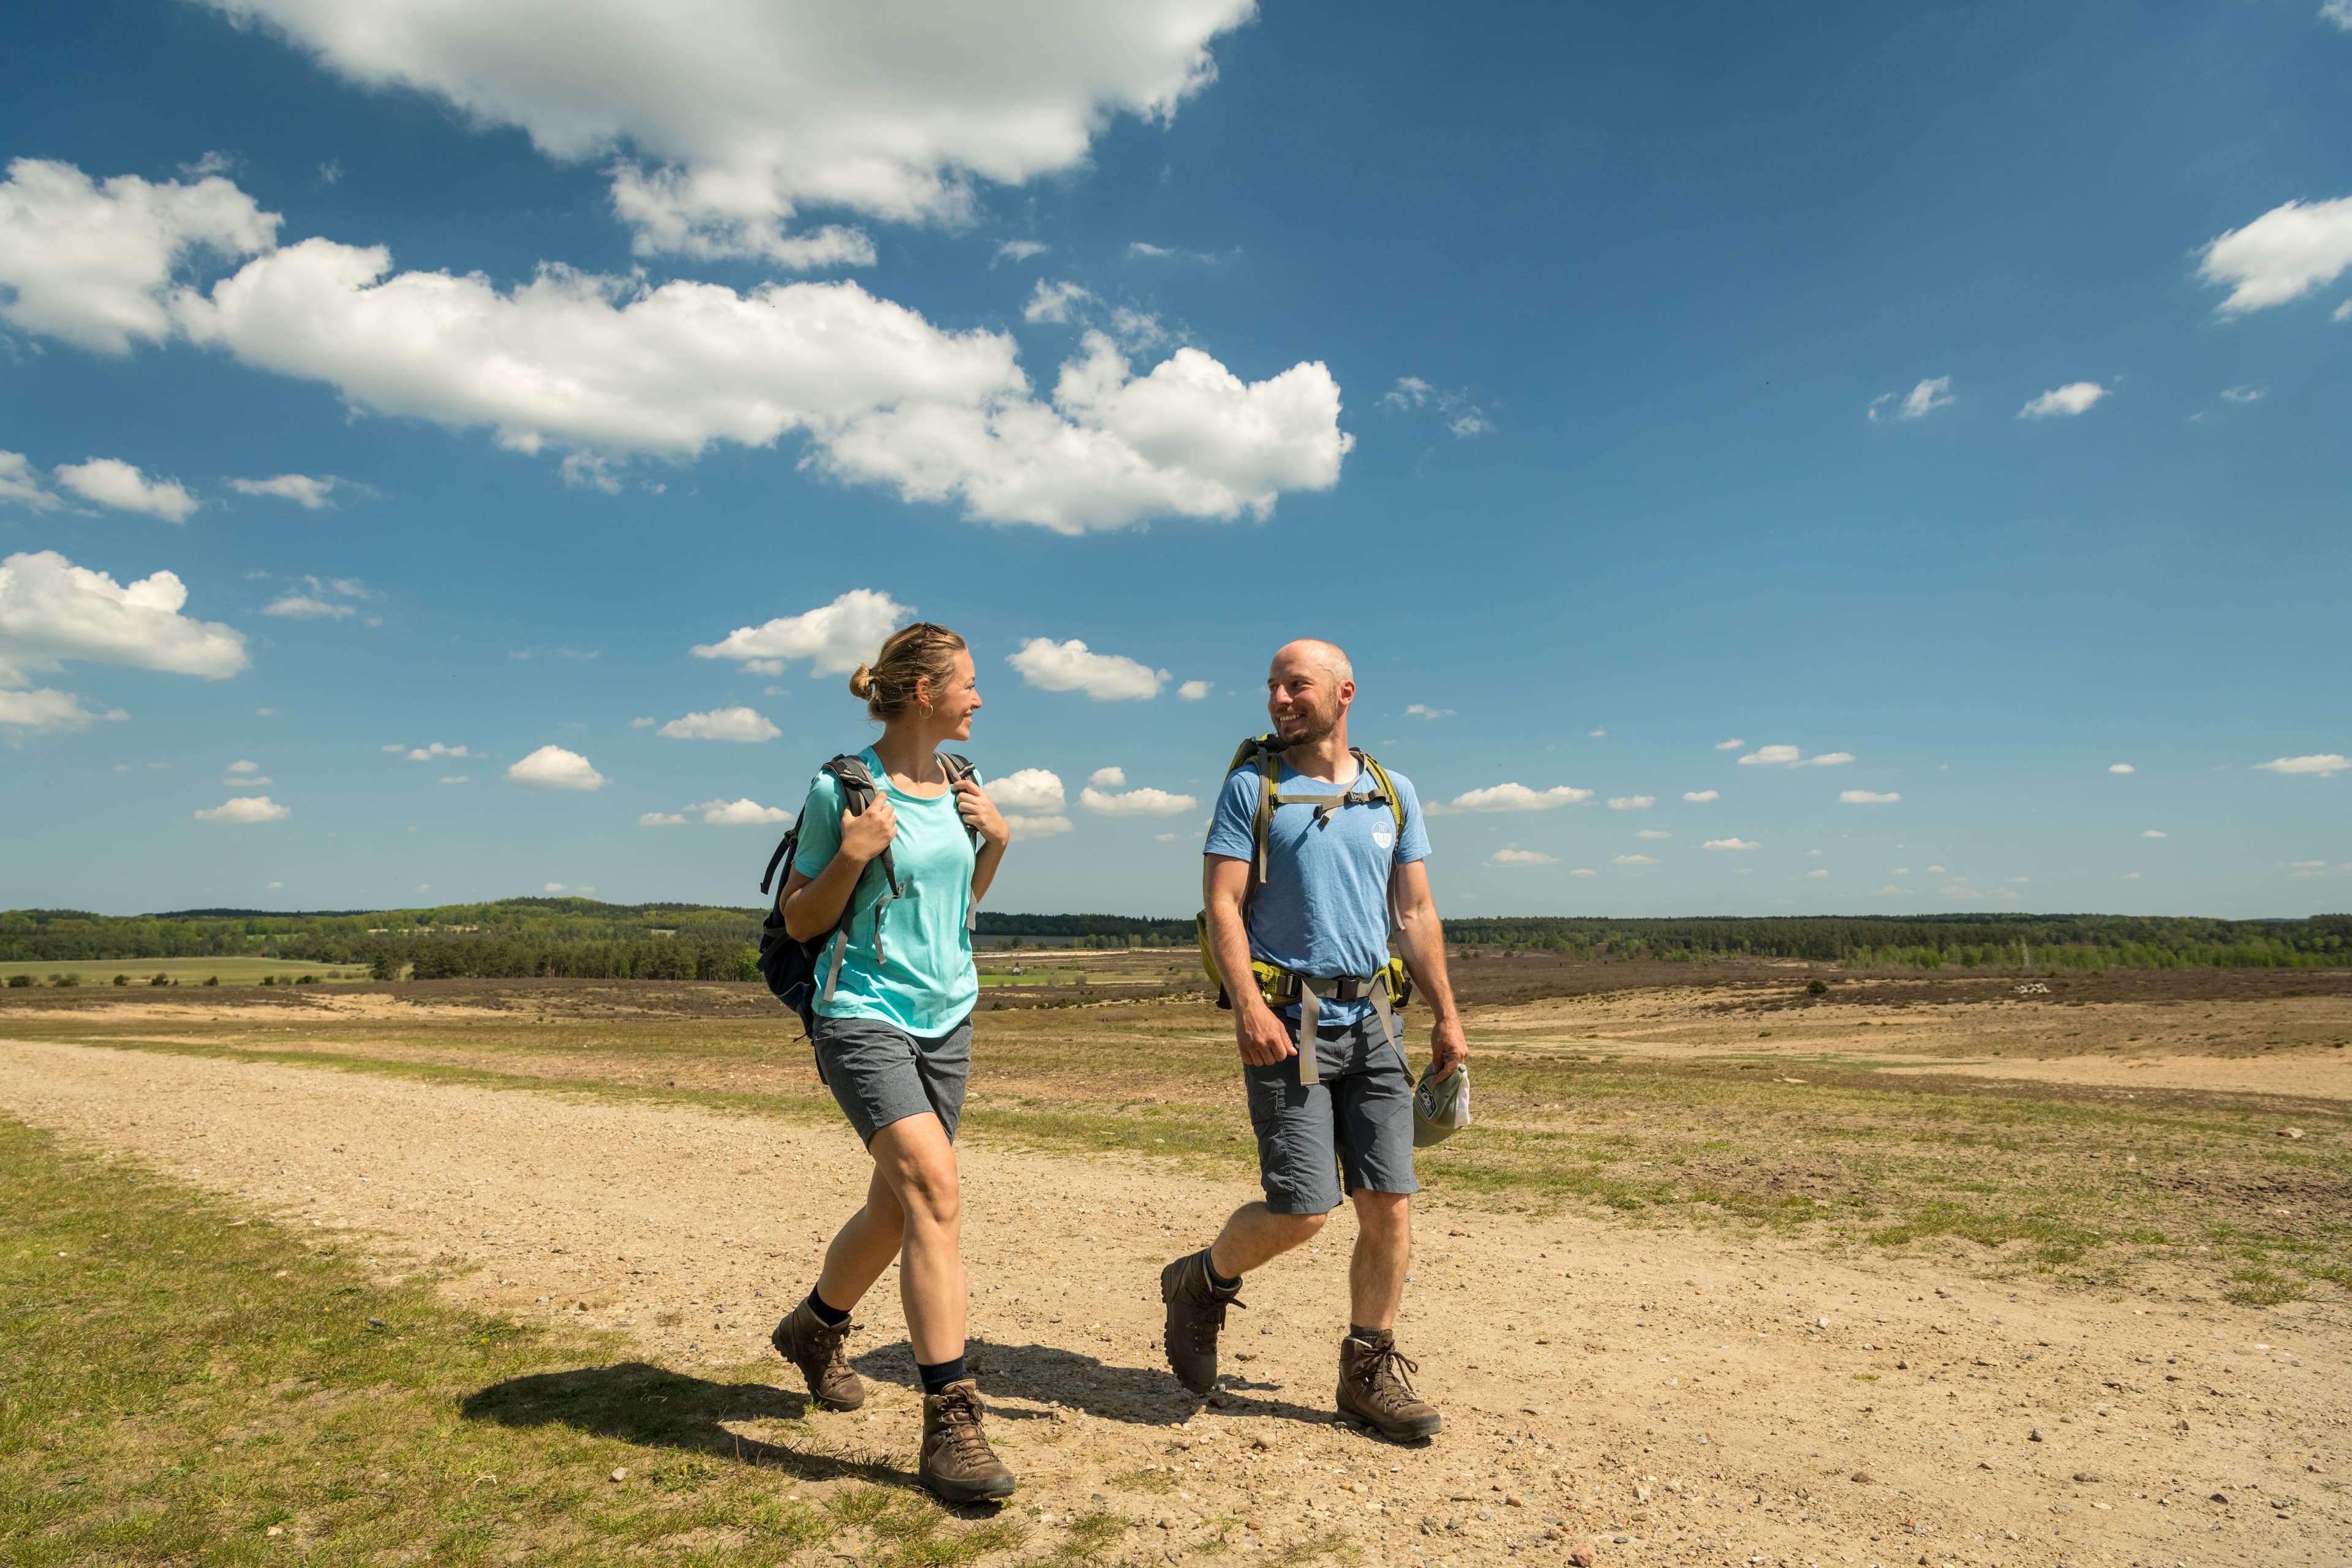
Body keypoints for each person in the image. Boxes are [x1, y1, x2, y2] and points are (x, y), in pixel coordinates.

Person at [1161, 638, 1468, 1439]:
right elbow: (1223, 906)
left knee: (1390, 1206)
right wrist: (1245, 1007)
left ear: (1344, 692)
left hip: (1375, 1024)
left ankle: (1368, 1370)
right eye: (1272, 685)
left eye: (1295, 684)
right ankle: (1202, 1281)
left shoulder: (1393, 794)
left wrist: (1448, 1012)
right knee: (1302, 1212)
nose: (1278, 698)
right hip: (1285, 1024)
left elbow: (1416, 914)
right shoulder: (1250, 788)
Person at [765, 621, 1017, 1502]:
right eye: (971, 684)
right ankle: (951, 1418)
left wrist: (995, 844)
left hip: (948, 1016)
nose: (980, 698)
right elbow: (800, 919)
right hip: (861, 1015)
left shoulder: (962, 782)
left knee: (898, 1206)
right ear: (926, 693)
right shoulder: (844, 787)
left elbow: (955, 906)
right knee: (936, 1195)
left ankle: (813, 1328)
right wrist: (853, 852)